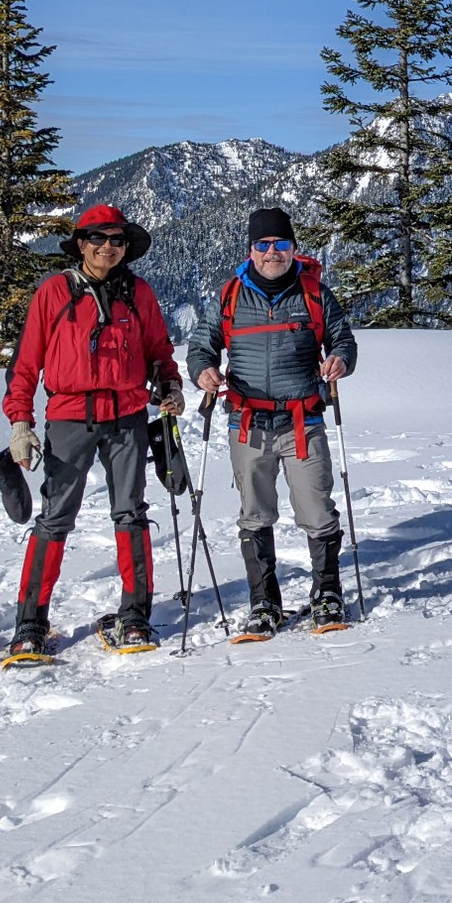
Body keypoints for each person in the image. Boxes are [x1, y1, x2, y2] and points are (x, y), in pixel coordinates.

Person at [2, 204, 183, 656]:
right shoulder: (54, 292)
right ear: (81, 244)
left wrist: (171, 385)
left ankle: (135, 615)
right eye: (98, 238)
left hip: (128, 417)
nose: (108, 247)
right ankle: (30, 623)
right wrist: (20, 421)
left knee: (131, 513)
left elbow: (159, 350)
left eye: (117, 240)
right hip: (69, 416)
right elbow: (25, 363)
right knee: (55, 517)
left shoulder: (139, 293)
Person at [188, 208, 359, 636]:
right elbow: (201, 344)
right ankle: (263, 602)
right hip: (247, 423)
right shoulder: (229, 296)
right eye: (263, 245)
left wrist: (341, 359)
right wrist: (202, 370)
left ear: (293, 248)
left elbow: (342, 338)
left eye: (281, 244)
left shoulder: (315, 294)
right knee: (255, 514)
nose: (272, 253)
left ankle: (327, 594)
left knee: (317, 510)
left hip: (303, 421)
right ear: (251, 249)